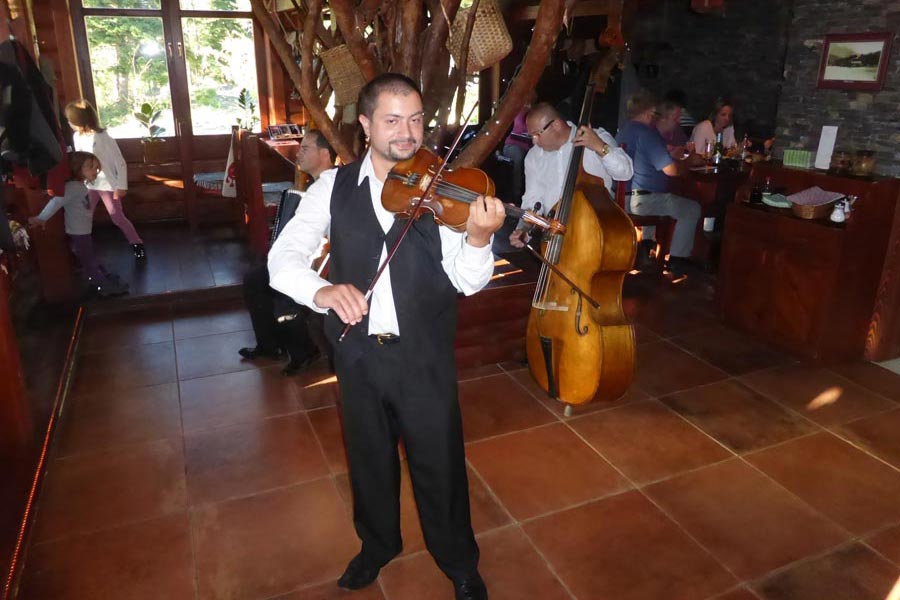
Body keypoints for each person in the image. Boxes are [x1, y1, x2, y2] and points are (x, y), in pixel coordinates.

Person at [268, 73, 504, 600]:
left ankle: (459, 562)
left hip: (423, 356)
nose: (407, 132)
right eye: (393, 120)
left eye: (416, 119)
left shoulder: (444, 190)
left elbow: (467, 281)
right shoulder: (332, 187)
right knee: (369, 459)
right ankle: (377, 545)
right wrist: (323, 291)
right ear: (366, 125)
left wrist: (478, 238)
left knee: (440, 463)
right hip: (357, 356)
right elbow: (282, 259)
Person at [239, 129, 335, 375]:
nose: (299, 154)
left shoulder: (335, 186)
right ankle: (269, 345)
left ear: (324, 154)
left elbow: (331, 237)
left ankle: (305, 351)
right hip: (306, 256)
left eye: (305, 149)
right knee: (254, 279)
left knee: (282, 289)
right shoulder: (310, 185)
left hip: (322, 261)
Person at [508, 102, 633, 248]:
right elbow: (532, 200)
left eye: (537, 134)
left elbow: (625, 173)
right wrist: (524, 229)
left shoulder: (595, 137)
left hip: (597, 234)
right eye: (531, 136)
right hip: (555, 237)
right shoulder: (533, 156)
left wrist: (600, 146)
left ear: (556, 125)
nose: (534, 142)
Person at [616, 90, 701, 275]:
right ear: (649, 112)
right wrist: (688, 162)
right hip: (640, 200)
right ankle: (677, 259)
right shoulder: (647, 134)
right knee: (691, 208)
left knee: (660, 199)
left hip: (621, 197)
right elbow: (671, 170)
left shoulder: (624, 130)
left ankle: (647, 249)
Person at [28, 151, 129, 296]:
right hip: (78, 233)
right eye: (91, 167)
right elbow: (56, 202)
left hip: (84, 231)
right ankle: (102, 285)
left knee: (90, 256)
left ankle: (103, 277)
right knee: (88, 260)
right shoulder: (72, 187)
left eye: (96, 168)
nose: (95, 171)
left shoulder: (80, 186)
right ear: (76, 167)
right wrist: (41, 218)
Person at [64, 99, 146, 260]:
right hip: (89, 185)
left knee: (117, 217)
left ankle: (137, 243)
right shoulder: (77, 136)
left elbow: (119, 162)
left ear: (78, 120)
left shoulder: (103, 137)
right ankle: (80, 248)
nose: (69, 123)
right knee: (84, 215)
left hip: (107, 185)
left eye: (70, 120)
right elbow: (80, 161)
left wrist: (121, 186)